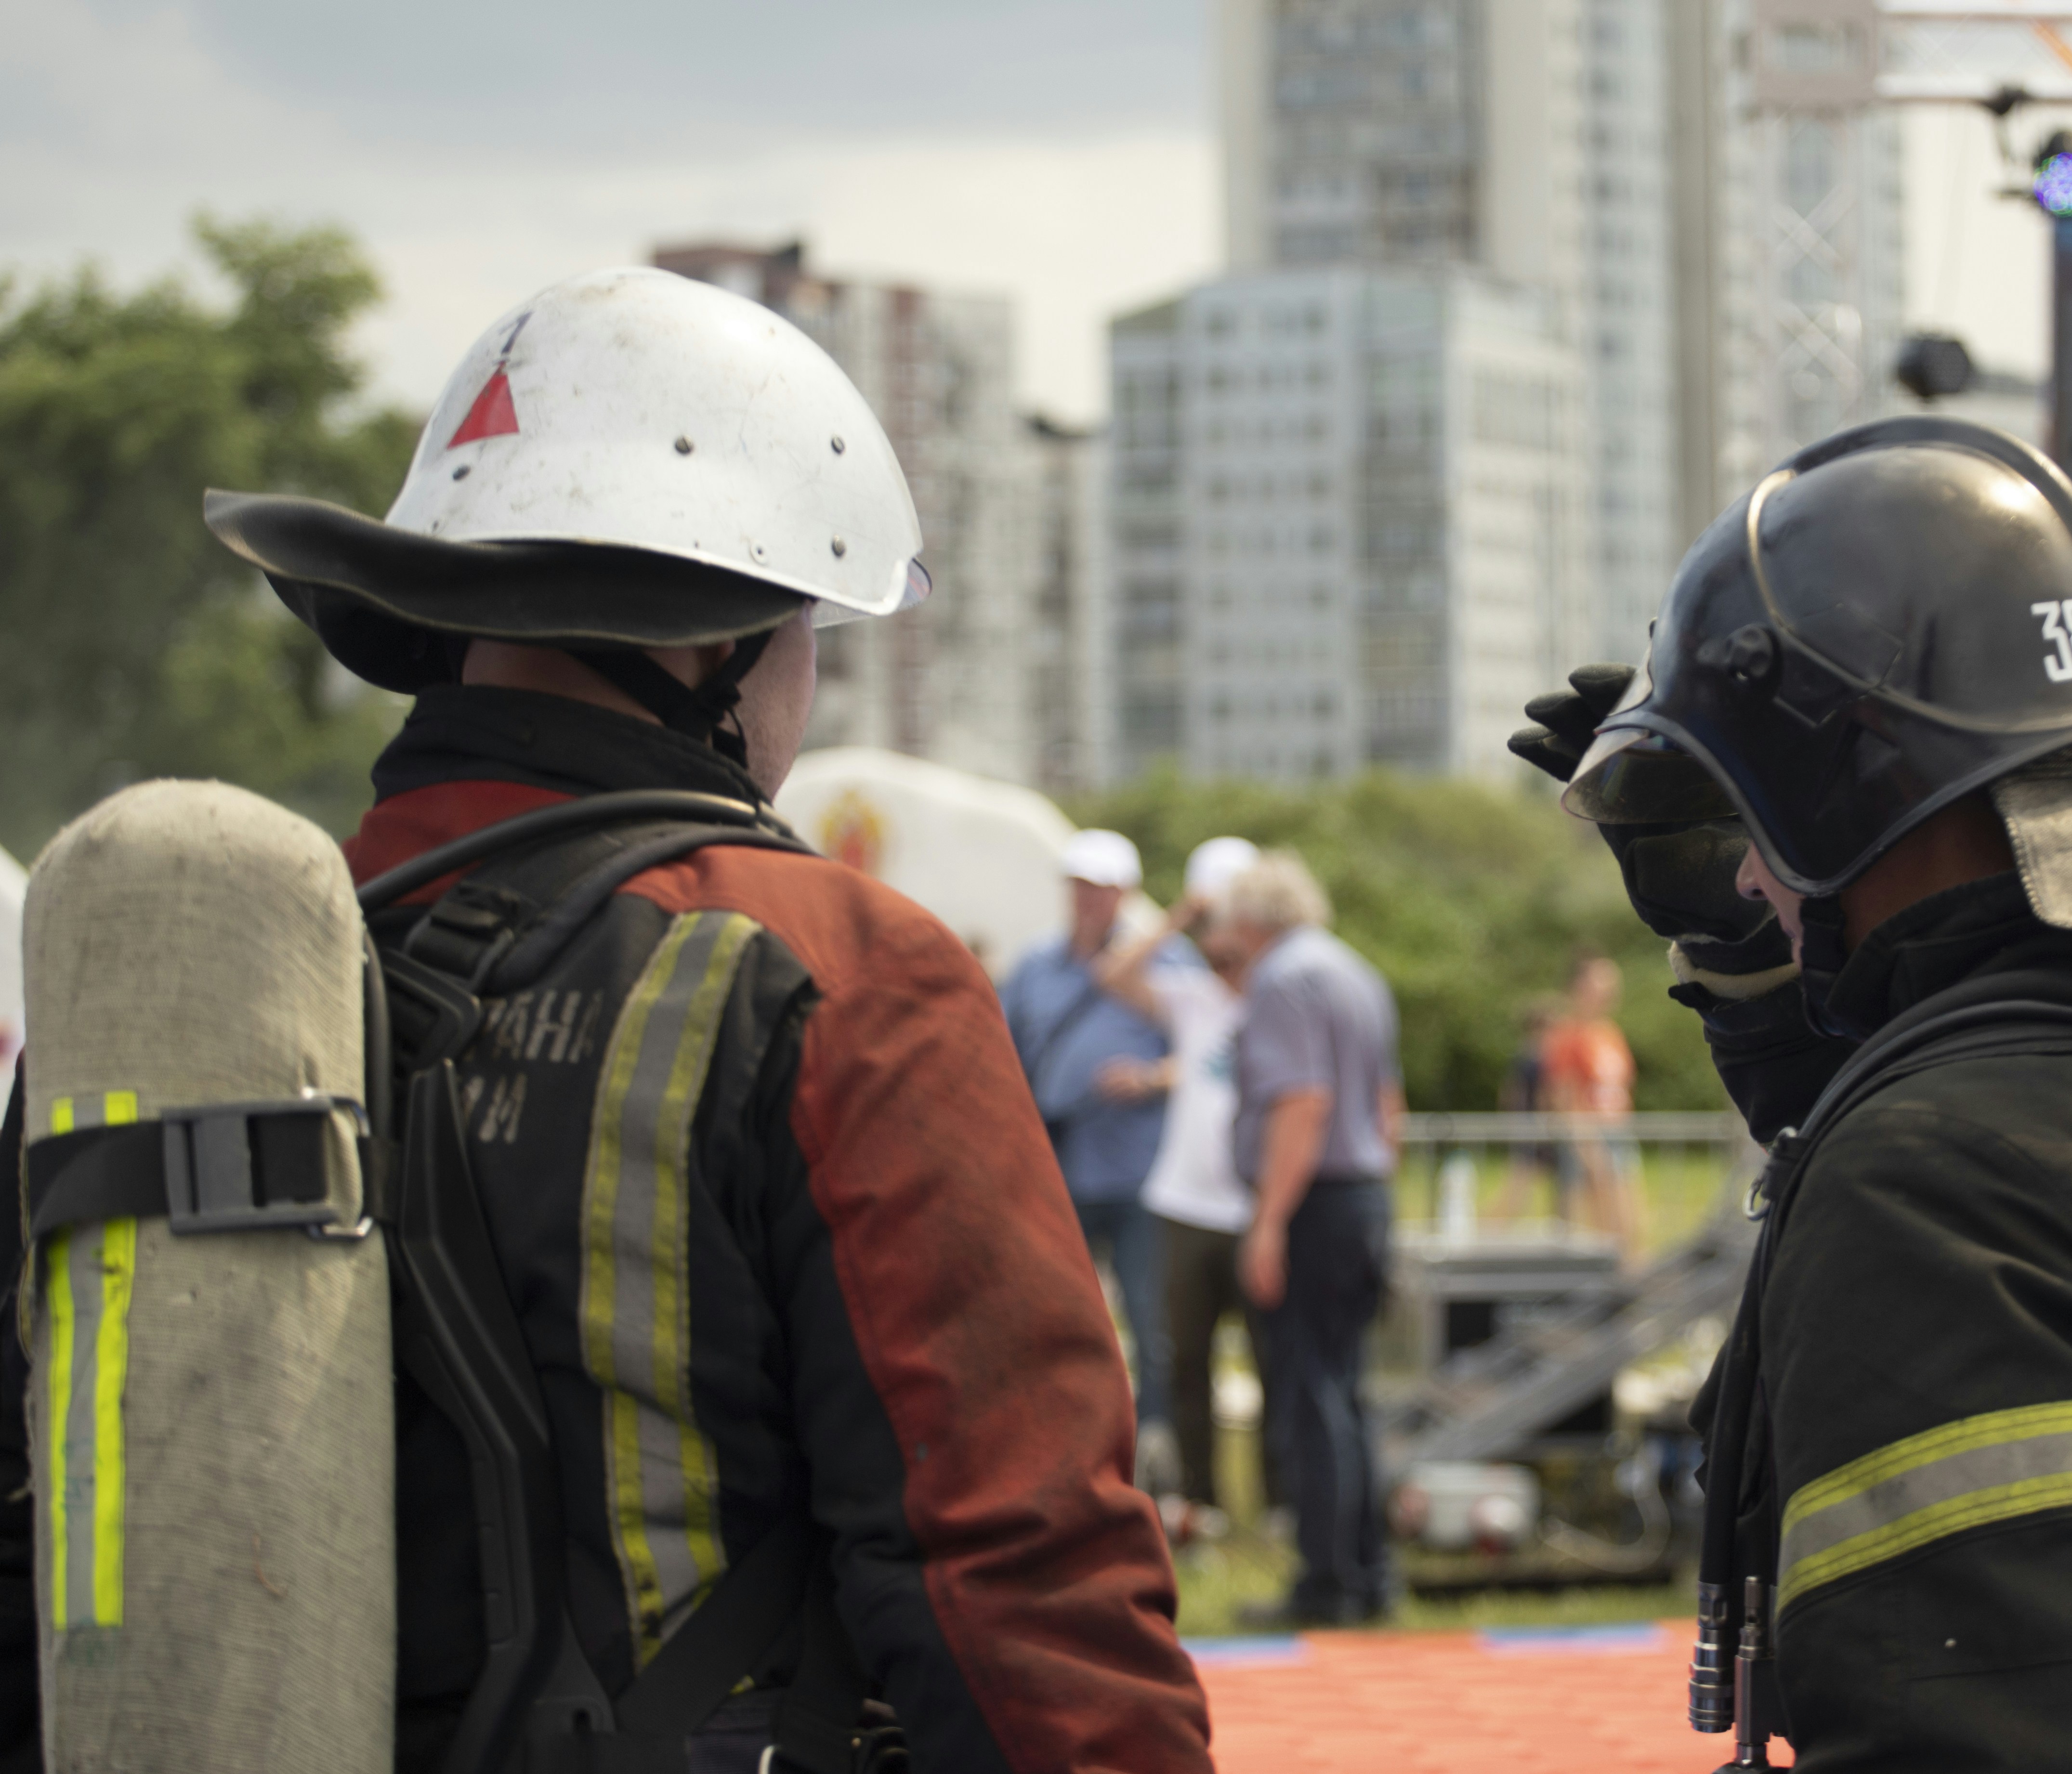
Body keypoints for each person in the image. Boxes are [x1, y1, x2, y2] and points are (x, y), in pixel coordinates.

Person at [8, 267, 1211, 1772]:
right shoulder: (835, 965)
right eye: (806, 626)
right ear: (722, 644)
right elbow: (1016, 1573)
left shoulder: (198, 1001)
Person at [1515, 414, 2072, 1767]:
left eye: (1754, 819)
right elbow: (1978, 1094)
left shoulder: (1934, 1184)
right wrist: (1753, 956)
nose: (1742, 871)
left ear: (1834, 787)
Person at [1216, 851, 1403, 1628]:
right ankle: (1366, 1571)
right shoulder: (1354, 971)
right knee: (1348, 1392)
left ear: (1250, 918)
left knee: (1309, 1395)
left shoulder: (1281, 979)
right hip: (1361, 1193)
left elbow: (1301, 1101)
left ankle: (1326, 1580)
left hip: (1314, 1199)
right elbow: (1387, 1104)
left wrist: (1267, 1221)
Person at [1095, 836, 1269, 1539]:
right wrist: (1180, 915)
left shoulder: (1280, 996)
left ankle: (1279, 1504)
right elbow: (1113, 973)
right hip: (1185, 1207)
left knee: (1272, 1362)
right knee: (1187, 1363)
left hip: (1256, 1208)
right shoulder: (1193, 998)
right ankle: (1202, 1503)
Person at [1000, 830, 1180, 1485]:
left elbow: (1212, 1053)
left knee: (1150, 1326)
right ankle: (1067, 1448)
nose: (1087, 900)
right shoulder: (1034, 967)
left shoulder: (1169, 961)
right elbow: (1001, 1052)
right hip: (1059, 1174)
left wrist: (1151, 1078)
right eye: (1079, 886)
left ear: (1124, 895)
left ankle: (1153, 1455)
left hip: (1140, 1176)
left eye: (1100, 889)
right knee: (1058, 1318)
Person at [1540, 951, 1645, 1260]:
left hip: (1617, 1132)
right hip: (1589, 1136)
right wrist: (1587, 1146)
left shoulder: (1610, 1033)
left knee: (1630, 1221)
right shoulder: (1567, 1036)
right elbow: (1562, 1095)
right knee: (1602, 1224)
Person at [1486, 995, 1561, 1221]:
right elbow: (1542, 1097)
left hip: (1530, 1129)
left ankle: (1558, 1227)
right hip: (1536, 1131)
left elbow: (1508, 1094)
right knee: (1518, 1189)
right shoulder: (1537, 1060)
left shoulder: (1524, 1057)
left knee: (1555, 1187)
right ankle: (1489, 1228)